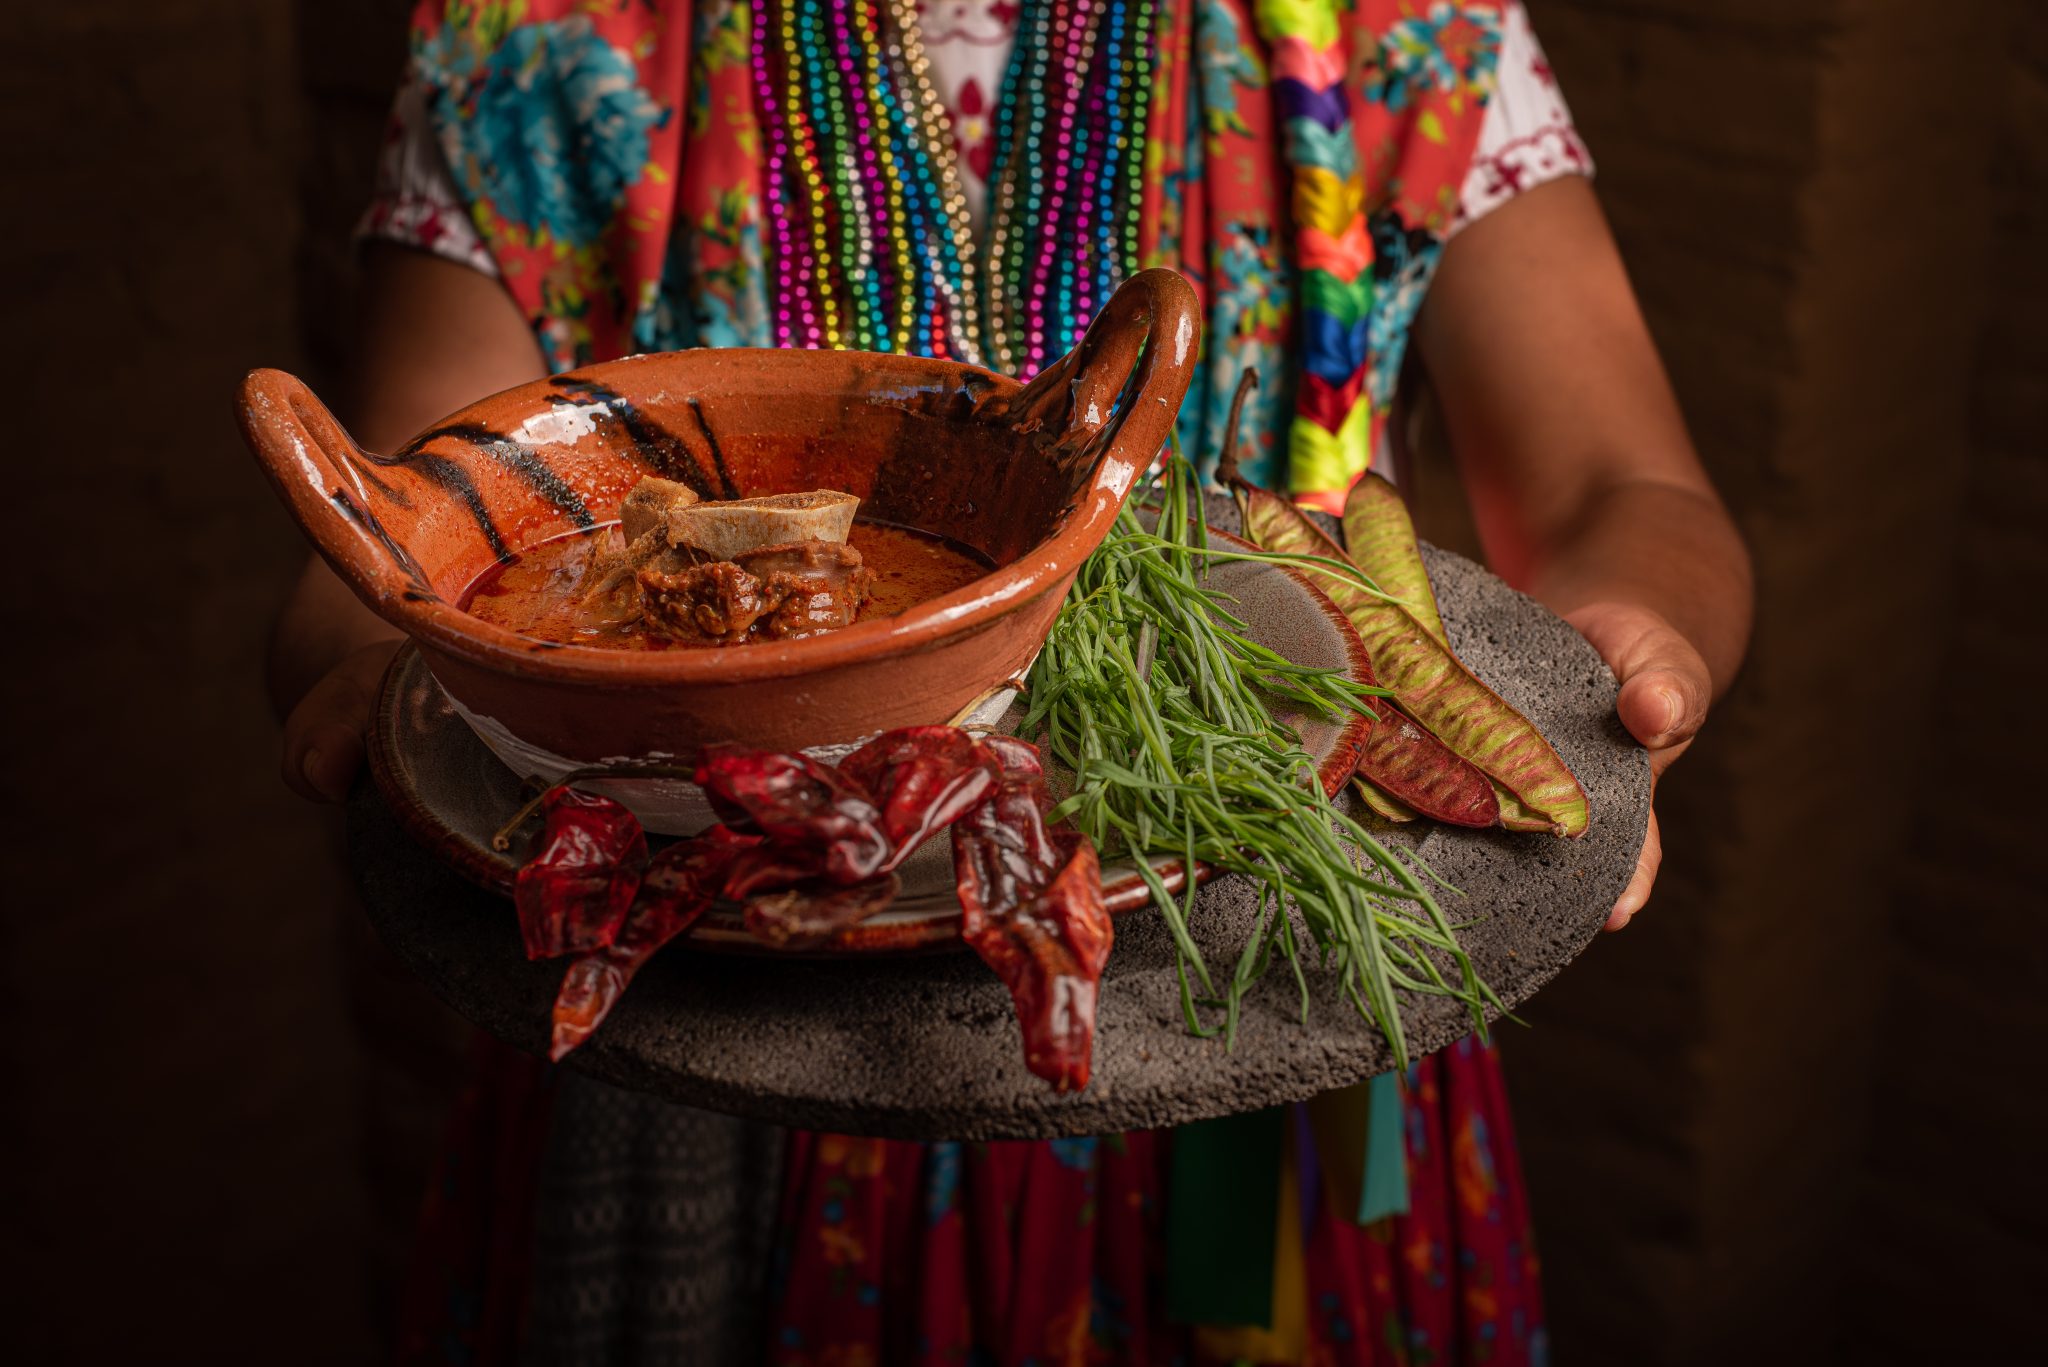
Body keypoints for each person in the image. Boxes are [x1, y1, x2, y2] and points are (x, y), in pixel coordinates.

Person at [271, 2, 1752, 1362]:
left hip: (1263, 990)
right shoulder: (552, 40)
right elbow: (402, 527)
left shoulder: (1395, 32)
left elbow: (1619, 486)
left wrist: (1617, 634)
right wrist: (377, 674)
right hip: (712, 1021)